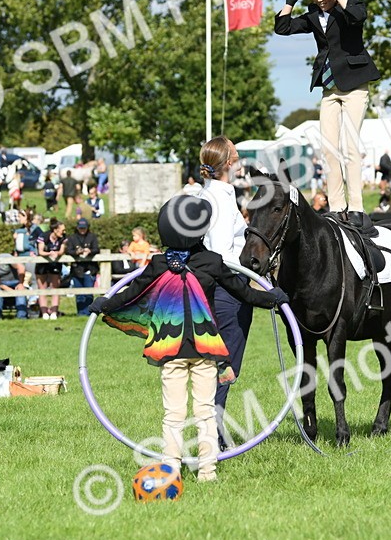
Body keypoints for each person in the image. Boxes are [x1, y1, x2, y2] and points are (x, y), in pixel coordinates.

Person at [89, 195, 287, 483]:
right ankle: (207, 472)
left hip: (171, 349)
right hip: (206, 348)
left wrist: (104, 304)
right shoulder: (211, 261)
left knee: (173, 414)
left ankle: (170, 468)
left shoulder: (159, 264)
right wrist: (273, 298)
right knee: (205, 412)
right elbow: (244, 293)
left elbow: (131, 293)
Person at [275, 0, 381, 235]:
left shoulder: (350, 6)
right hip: (329, 88)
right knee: (329, 148)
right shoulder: (312, 15)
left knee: (349, 146)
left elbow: (358, 17)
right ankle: (337, 207)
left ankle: (357, 207)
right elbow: (282, 28)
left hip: (355, 85)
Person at [197, 137, 258, 446]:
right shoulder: (219, 198)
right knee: (225, 365)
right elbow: (220, 252)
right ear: (230, 164)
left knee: (219, 364)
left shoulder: (212, 194)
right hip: (228, 287)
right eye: (237, 156)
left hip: (224, 286)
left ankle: (212, 430)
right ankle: (213, 434)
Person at [64, 218, 100, 315]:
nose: (82, 230)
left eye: (84, 228)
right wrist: (76, 252)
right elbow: (68, 251)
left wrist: (90, 251)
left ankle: (89, 313)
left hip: (90, 269)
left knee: (89, 293)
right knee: (79, 293)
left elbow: (97, 249)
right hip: (77, 269)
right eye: (81, 228)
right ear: (77, 227)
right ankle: (81, 313)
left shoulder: (92, 237)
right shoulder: (72, 238)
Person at [36, 219, 67, 319]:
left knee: (55, 287)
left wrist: (57, 253)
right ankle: (44, 312)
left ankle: (54, 312)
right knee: (42, 288)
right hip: (42, 264)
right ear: (55, 230)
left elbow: (61, 251)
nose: (64, 232)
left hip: (55, 264)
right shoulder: (43, 236)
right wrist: (50, 253)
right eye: (62, 230)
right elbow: (40, 251)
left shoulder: (63, 238)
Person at [0, 247, 28, 318]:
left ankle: (22, 316)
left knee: (21, 291)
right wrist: (8, 289)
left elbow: (21, 267)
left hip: (16, 281)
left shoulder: (5, 257)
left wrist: (21, 284)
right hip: (1, 284)